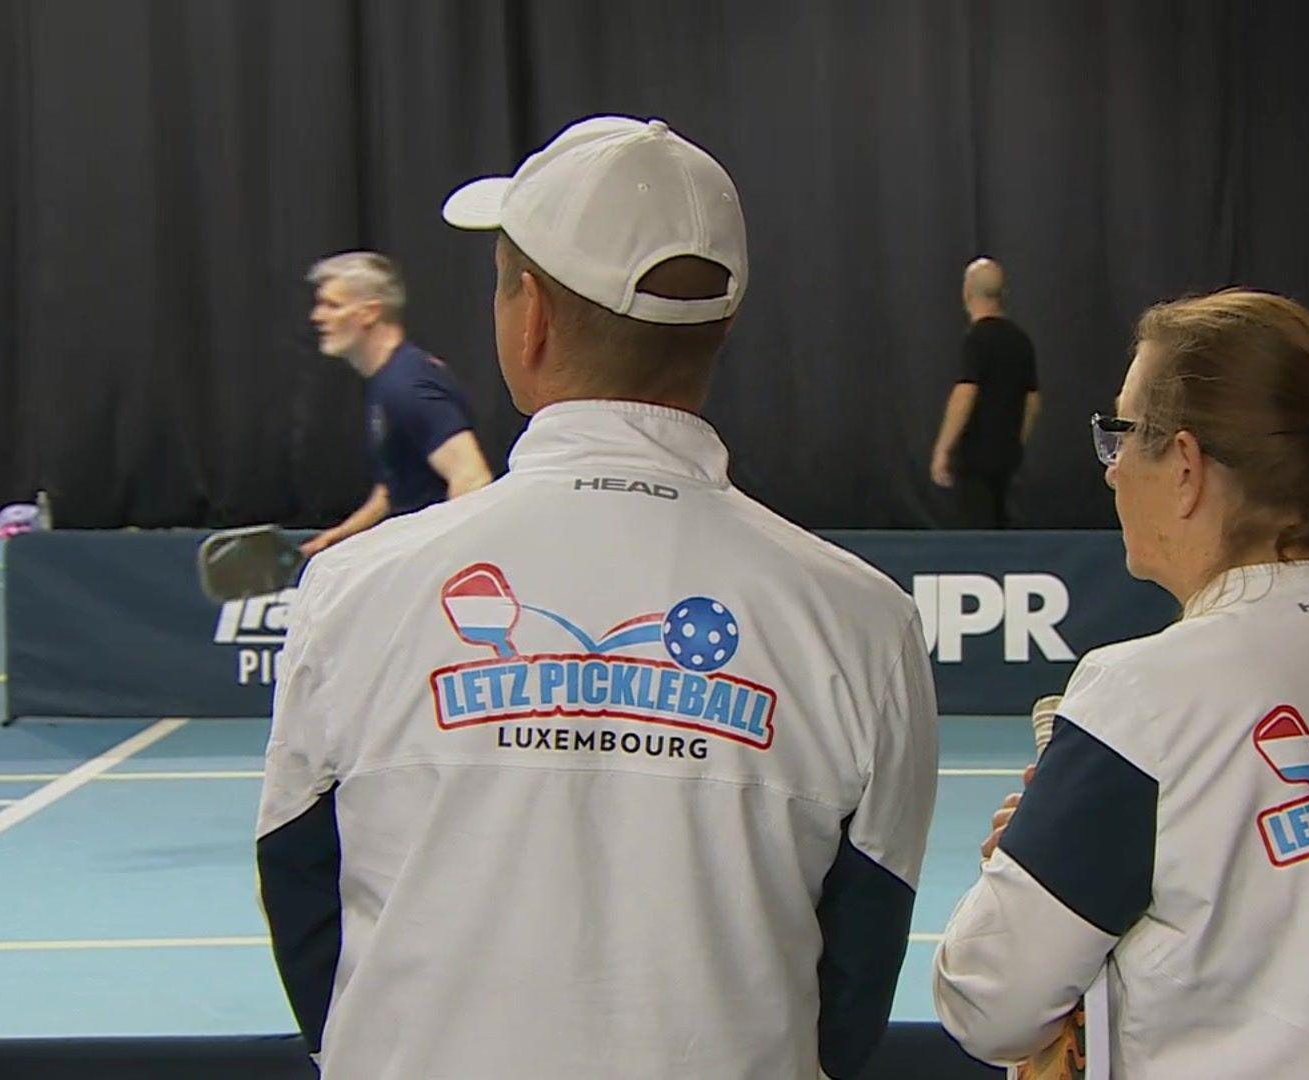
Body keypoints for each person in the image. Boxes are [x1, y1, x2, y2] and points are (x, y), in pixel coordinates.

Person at [256, 117, 939, 1079]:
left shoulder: (352, 588)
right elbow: (857, 967)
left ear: (528, 314)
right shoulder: (863, 621)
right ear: (724, 327)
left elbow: (304, 895)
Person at [934, 291, 1309, 1078]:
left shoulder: (1143, 695)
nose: (1113, 470)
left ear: (1186, 466)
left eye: (1120, 436)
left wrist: (1023, 869)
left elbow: (987, 1003)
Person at [302, 251, 494, 556]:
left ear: (369, 313)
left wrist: (443, 563)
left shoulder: (406, 386)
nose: (317, 316)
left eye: (332, 305)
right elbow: (395, 487)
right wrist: (342, 536)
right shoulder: (388, 381)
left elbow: (471, 478)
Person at [929, 257, 1040, 527]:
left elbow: (965, 394)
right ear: (1004, 294)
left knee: (975, 533)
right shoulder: (1020, 340)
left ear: (967, 293)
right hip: (1006, 458)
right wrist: (1016, 442)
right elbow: (1033, 401)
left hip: (974, 461)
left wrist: (943, 449)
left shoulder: (976, 340)